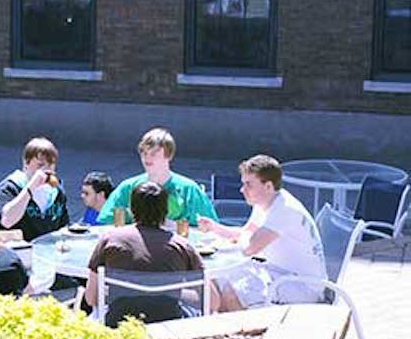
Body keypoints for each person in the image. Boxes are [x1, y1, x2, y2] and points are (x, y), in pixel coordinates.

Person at [198, 155, 327, 312]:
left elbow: (250, 249)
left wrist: (229, 244)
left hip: (303, 286)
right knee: (220, 280)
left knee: (232, 292)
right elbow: (245, 234)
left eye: (249, 185)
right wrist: (214, 227)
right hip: (280, 272)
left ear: (268, 186)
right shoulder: (264, 203)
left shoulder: (284, 210)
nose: (242, 190)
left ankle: (245, 330)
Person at [84, 182, 208, 324]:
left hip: (119, 324)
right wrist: (168, 292)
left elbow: (91, 298)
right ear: (165, 211)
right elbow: (207, 298)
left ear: (132, 209)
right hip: (169, 325)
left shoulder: (110, 240)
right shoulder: (182, 246)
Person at [96, 128, 217, 227]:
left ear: (168, 155)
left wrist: (172, 226)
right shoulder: (127, 187)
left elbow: (210, 229)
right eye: (144, 153)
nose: (147, 158)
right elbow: (106, 223)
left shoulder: (189, 190)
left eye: (154, 153)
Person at [0, 137, 69, 242]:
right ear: (26, 163)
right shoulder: (10, 187)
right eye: (40, 165)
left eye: (51, 164)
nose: (47, 170)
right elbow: (6, 221)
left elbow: (63, 227)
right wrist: (30, 188)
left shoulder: (57, 191)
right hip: (19, 250)